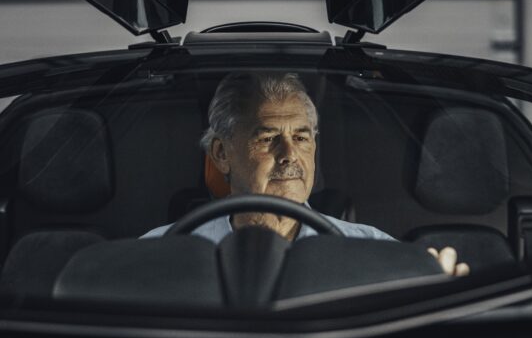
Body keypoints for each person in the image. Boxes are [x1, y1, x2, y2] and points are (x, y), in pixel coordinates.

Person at [143, 72, 469, 276]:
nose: (289, 155)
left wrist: (438, 287)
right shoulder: (159, 254)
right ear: (221, 154)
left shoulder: (373, 250)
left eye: (301, 138)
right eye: (268, 138)